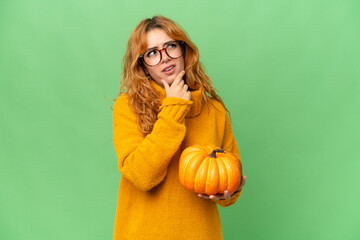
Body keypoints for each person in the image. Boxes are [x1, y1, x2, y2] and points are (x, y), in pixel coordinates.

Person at [112, 15, 247, 240]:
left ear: (184, 51)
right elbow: (141, 176)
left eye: (171, 46)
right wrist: (175, 107)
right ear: (142, 64)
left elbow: (228, 175)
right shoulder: (127, 107)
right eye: (152, 53)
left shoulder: (213, 110)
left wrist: (229, 193)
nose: (164, 58)